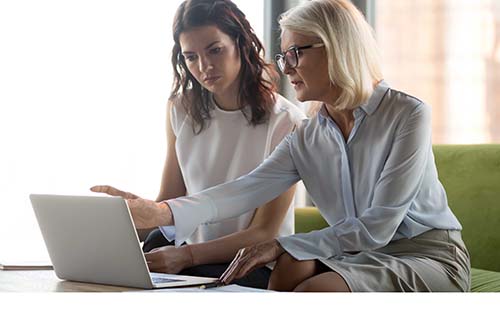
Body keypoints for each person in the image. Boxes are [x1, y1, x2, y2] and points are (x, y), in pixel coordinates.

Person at [110, 0, 471, 292]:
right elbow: (241, 191)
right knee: (288, 271)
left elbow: (378, 226)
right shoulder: (308, 135)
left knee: (314, 289)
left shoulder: (407, 113)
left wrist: (283, 244)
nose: (287, 68)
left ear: (337, 47)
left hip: (426, 254)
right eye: (284, 56)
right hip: (354, 253)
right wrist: (162, 214)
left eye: (296, 53)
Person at [91, 0, 305, 289]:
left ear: (241, 43)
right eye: (190, 57)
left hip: (246, 266)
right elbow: (170, 203)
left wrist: (185, 256)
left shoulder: (286, 120)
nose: (204, 66)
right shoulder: (181, 108)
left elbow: (263, 232)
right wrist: (126, 219)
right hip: (185, 259)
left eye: (215, 50)